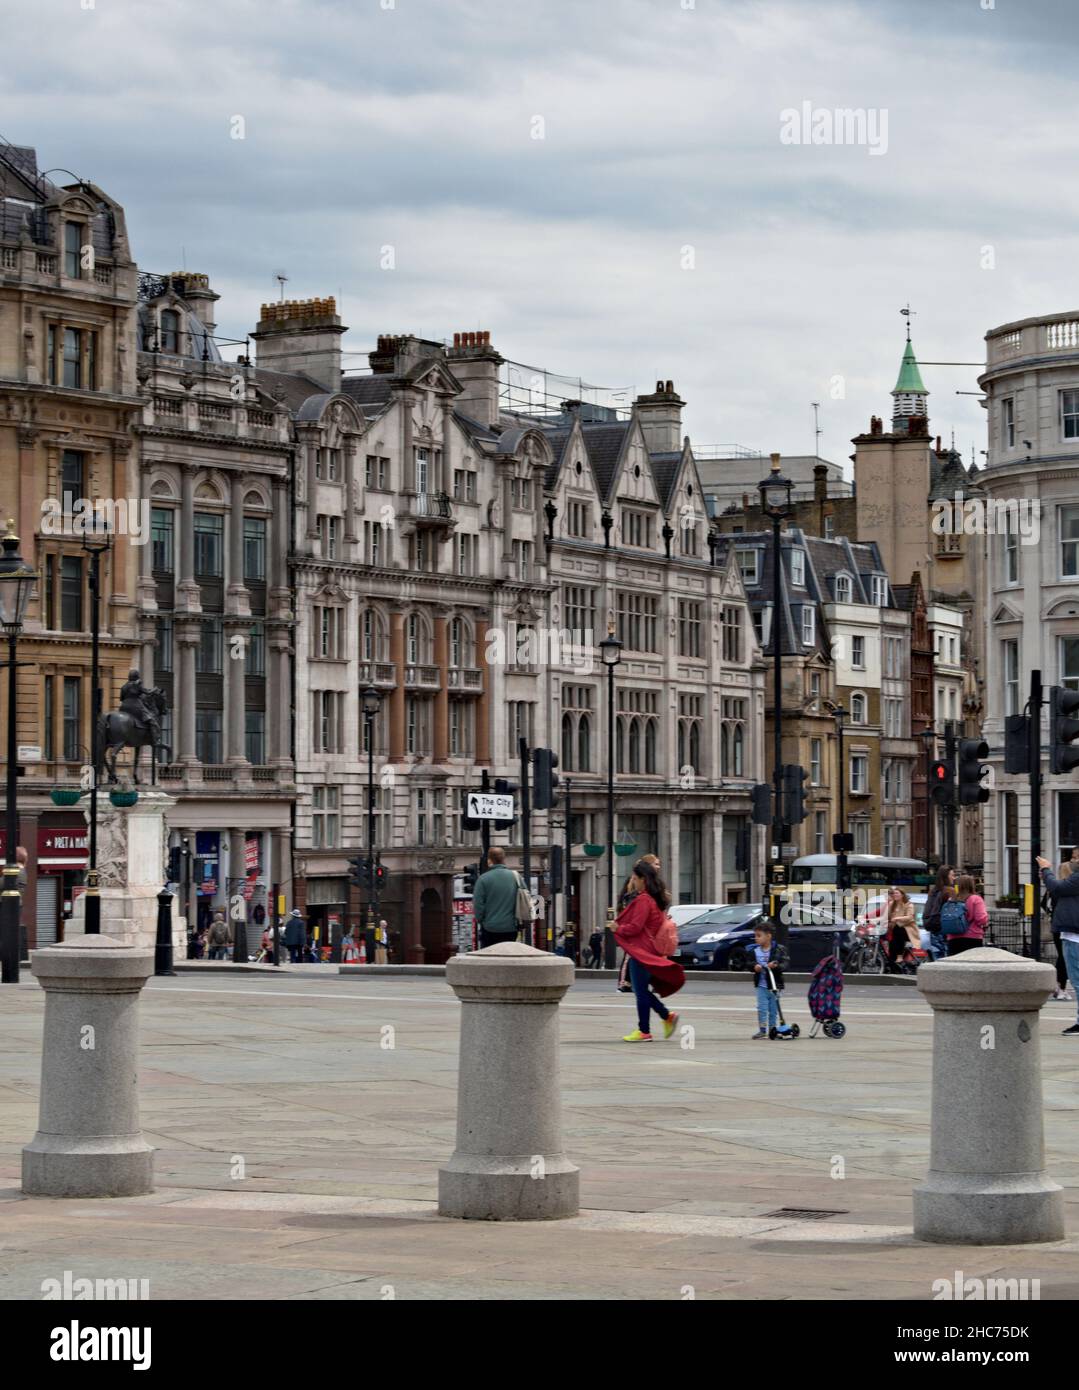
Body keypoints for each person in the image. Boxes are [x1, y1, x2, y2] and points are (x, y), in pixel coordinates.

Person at [613, 858, 682, 1043]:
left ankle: (645, 1030)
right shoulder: (655, 898)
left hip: (642, 952)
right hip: (651, 950)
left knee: (640, 991)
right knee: (640, 989)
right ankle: (666, 1016)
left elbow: (635, 927)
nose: (632, 881)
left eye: (635, 878)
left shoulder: (644, 900)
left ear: (643, 878)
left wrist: (616, 928)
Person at [1037, 857, 1079, 1033]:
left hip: (1074, 936)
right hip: (1072, 934)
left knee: (1077, 981)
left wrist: (1046, 870)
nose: (1075, 859)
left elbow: (1058, 888)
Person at [472, 846, 522, 948]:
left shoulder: (483, 879)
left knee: (490, 958)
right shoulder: (516, 877)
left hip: (490, 928)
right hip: (511, 928)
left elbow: (478, 905)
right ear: (504, 859)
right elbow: (525, 897)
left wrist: (482, 921)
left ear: (489, 860)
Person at [750, 922, 789, 1038]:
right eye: (755, 936)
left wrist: (776, 965)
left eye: (758, 935)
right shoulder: (755, 951)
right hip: (761, 986)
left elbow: (785, 963)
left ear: (768, 936)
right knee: (762, 1008)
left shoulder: (779, 949)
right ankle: (762, 1030)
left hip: (774, 985)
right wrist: (754, 967)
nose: (756, 938)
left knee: (773, 1009)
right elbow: (749, 963)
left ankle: (772, 1029)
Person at [1041, 867, 1072, 1001]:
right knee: (1064, 957)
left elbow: (1043, 904)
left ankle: (1060, 986)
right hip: (1064, 926)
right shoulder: (1066, 889)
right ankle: (1060, 987)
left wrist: (1052, 914)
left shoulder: (1054, 888)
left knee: (1062, 955)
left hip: (1056, 925)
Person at [944, 873, 988, 956]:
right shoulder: (976, 899)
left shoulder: (951, 900)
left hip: (953, 938)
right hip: (973, 937)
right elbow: (981, 919)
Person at [922, 866, 956, 963]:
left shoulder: (933, 891)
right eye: (952, 875)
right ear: (946, 877)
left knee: (937, 959)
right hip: (945, 929)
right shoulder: (950, 891)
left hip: (933, 928)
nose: (954, 878)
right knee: (948, 961)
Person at [885, 887, 919, 971]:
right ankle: (893, 967)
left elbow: (910, 917)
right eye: (894, 893)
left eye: (897, 893)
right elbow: (886, 916)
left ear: (902, 895)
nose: (895, 895)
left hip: (907, 930)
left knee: (898, 929)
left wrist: (897, 918)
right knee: (892, 947)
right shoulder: (891, 904)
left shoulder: (908, 904)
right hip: (895, 931)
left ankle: (899, 956)